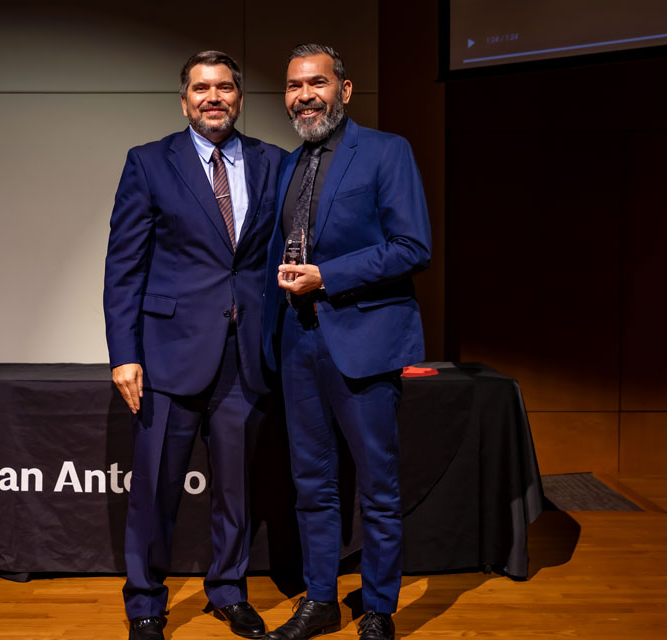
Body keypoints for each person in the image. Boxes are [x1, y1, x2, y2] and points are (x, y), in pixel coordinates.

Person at [104, 50, 284, 640]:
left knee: (236, 488)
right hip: (167, 354)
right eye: (202, 88)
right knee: (155, 489)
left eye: (226, 87)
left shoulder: (274, 162)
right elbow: (124, 267)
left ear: (240, 97)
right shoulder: (150, 162)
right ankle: (146, 604)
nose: (214, 97)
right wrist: (123, 353)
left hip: (246, 355)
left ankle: (228, 590)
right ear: (184, 99)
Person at [262, 44, 432, 640]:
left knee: (377, 488)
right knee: (311, 486)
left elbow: (414, 246)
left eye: (317, 83)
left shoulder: (387, 150)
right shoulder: (287, 164)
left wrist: (327, 277)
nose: (304, 95)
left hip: (362, 342)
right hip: (297, 343)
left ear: (345, 89)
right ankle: (321, 600)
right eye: (293, 86)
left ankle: (380, 608)